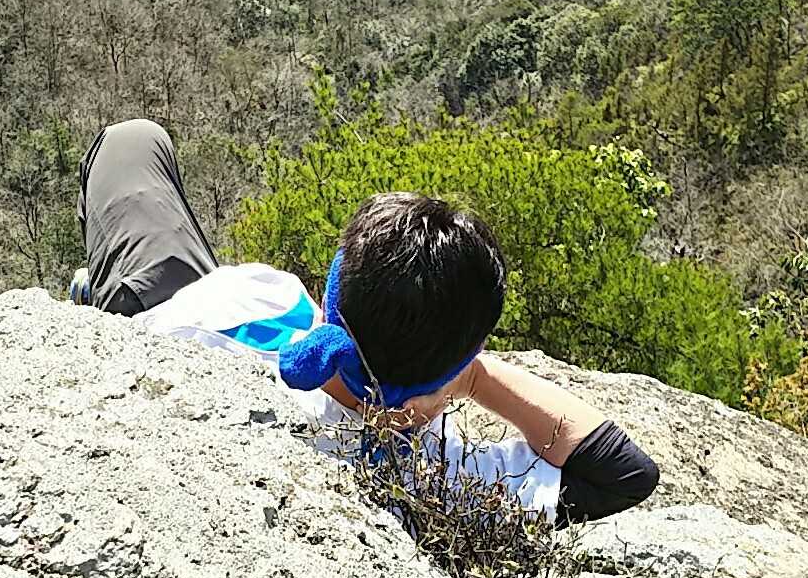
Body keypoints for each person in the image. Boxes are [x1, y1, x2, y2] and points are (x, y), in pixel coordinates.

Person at [74, 118, 658, 526]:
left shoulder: (266, 293)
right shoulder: (430, 481)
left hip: (168, 319)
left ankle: (91, 296)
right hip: (194, 318)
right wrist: (473, 378)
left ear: (335, 298)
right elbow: (620, 474)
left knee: (134, 140)